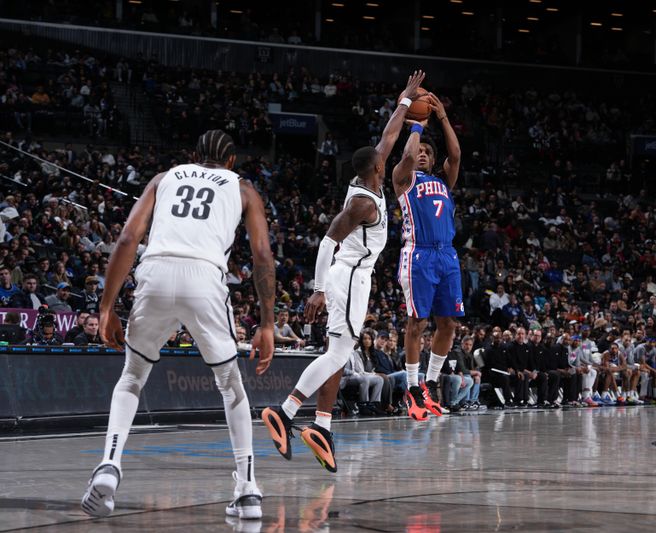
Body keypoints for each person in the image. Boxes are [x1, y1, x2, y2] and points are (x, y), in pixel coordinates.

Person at [81, 130, 276, 521]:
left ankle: (109, 466)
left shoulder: (165, 177)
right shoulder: (243, 188)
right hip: (204, 277)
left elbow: (126, 239)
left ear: (192, 156)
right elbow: (261, 256)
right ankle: (247, 489)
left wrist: (106, 307)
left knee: (132, 377)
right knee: (230, 384)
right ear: (231, 163)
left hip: (155, 270)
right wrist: (267, 322)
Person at [261, 71, 426, 473]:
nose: (386, 161)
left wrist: (405, 102)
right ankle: (284, 412)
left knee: (338, 353)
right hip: (348, 276)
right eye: (381, 162)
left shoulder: (371, 175)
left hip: (356, 277)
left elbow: (388, 137)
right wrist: (318, 290)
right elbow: (326, 242)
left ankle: (322, 426)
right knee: (338, 352)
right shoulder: (362, 204)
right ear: (374, 170)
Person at [395, 90, 463, 421]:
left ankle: (430, 382)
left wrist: (441, 117)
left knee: (448, 323)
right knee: (417, 322)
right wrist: (416, 127)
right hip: (418, 255)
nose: (421, 155)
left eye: (426, 153)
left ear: (433, 160)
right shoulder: (403, 179)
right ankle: (411, 387)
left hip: (447, 256)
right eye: (419, 152)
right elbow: (406, 157)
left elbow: (456, 154)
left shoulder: (443, 181)